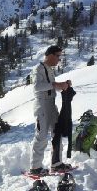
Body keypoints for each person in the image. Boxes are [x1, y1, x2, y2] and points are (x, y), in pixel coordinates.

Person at [29, 45, 72, 175]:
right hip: (42, 105)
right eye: (57, 56)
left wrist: (63, 85)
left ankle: (56, 163)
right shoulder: (38, 69)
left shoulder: (50, 69)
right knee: (41, 136)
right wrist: (55, 84)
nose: (59, 59)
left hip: (51, 105)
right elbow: (37, 86)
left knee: (57, 132)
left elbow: (52, 87)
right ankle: (35, 167)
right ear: (50, 55)